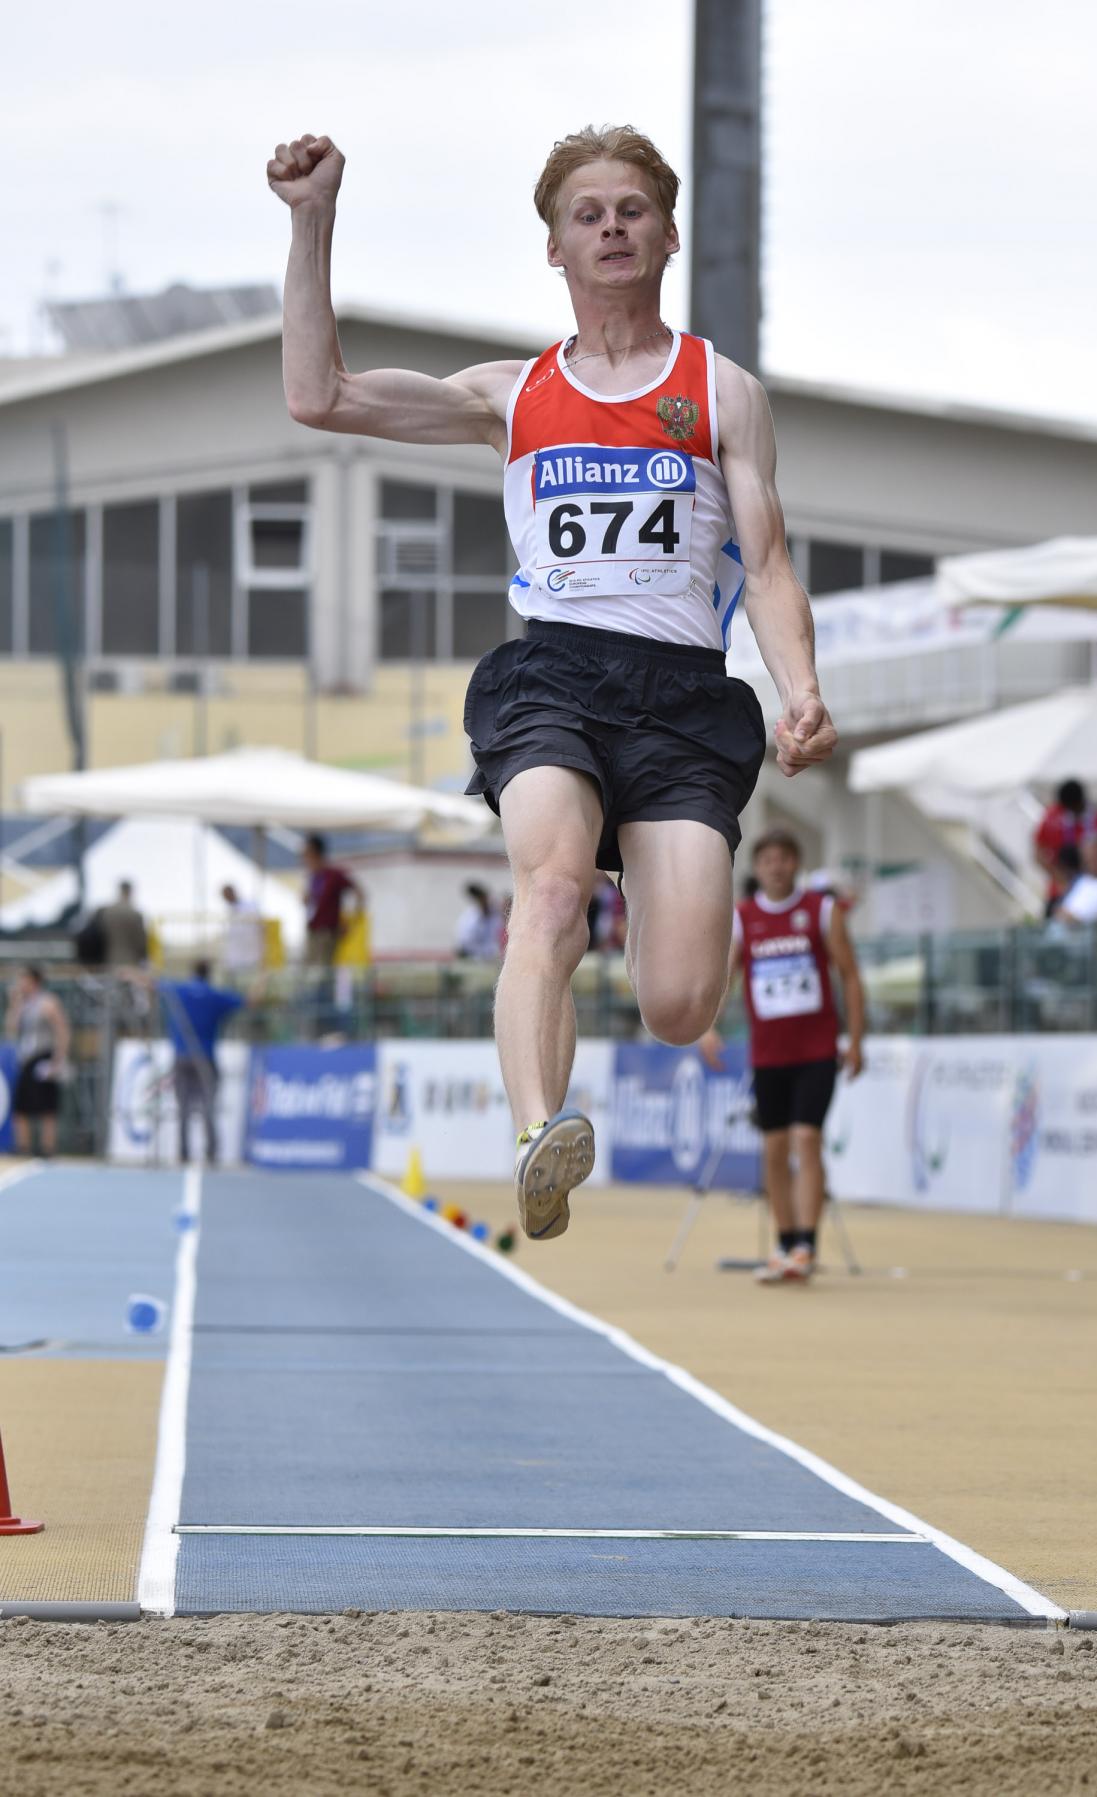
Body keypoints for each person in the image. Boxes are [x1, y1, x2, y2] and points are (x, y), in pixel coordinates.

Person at [269, 124, 837, 1242]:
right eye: (589, 213)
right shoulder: (510, 395)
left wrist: (801, 689)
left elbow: (766, 565)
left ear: (668, 234)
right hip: (556, 675)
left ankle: (638, 901)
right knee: (548, 892)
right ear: (555, 250)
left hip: (682, 693)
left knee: (679, 1007)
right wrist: (311, 219)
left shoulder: (722, 393)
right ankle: (540, 1132)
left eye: (633, 208)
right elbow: (319, 396)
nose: (613, 226)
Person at [700, 830, 864, 1284]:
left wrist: (856, 1038)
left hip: (816, 1049)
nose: (775, 867)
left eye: (784, 858)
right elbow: (724, 978)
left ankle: (807, 1246)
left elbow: (849, 975)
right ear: (757, 868)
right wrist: (707, 1026)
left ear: (796, 864)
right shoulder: (743, 917)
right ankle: (785, 1241)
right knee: (773, 1148)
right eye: (767, 860)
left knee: (806, 1139)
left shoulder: (821, 910)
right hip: (768, 1054)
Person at [158, 961, 245, 1165]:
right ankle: (212, 1153)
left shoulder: (179, 989)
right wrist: (263, 979)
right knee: (208, 1107)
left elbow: (151, 983)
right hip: (205, 1057)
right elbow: (248, 1001)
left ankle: (183, 1153)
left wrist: (128, 973)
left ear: (192, 972)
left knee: (183, 1109)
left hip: (181, 1057)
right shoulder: (215, 996)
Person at [5, 966, 71, 1158]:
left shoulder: (48, 1002)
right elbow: (11, 1029)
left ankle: (47, 1147)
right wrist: (15, 1004)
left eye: (23, 980)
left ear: (33, 981)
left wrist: (59, 1059)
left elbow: (62, 1030)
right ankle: (23, 1146)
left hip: (44, 1057)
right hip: (26, 1058)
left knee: (46, 1106)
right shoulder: (23, 1004)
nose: (20, 984)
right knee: (21, 1105)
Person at [1033, 781, 1097, 918]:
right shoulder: (1053, 817)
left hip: (1093, 886)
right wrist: (1061, 880)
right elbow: (1038, 852)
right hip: (1062, 887)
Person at [300, 834, 362, 968]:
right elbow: (309, 902)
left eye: (307, 854)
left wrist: (351, 921)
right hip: (313, 929)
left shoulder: (334, 875)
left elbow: (359, 893)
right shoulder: (311, 877)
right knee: (309, 968)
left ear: (316, 853)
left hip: (328, 932)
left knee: (324, 970)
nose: (304, 858)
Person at [95, 879, 149, 968]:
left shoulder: (107, 912)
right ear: (130, 892)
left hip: (108, 960)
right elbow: (141, 942)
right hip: (130, 961)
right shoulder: (134, 914)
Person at [221, 882, 265, 974]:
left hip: (253, 954)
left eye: (228, 895)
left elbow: (262, 927)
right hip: (236, 957)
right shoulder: (229, 911)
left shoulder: (250, 906)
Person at [455, 883, 506, 959]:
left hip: (493, 957)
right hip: (473, 957)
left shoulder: (496, 915)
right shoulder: (470, 919)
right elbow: (466, 942)